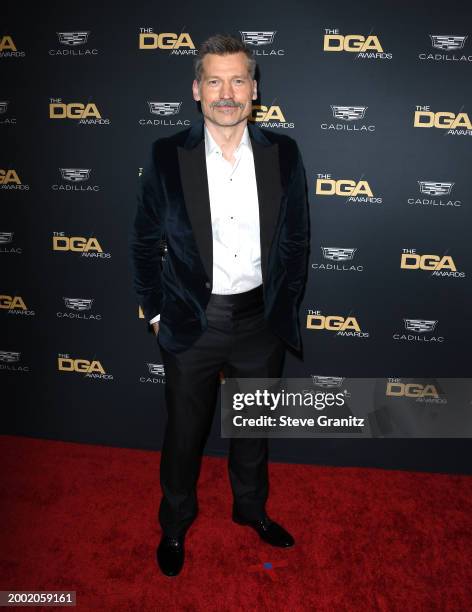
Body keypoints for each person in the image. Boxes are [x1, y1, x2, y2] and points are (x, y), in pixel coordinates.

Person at [129, 33, 310, 577]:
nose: (226, 92)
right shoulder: (167, 156)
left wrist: (283, 309)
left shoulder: (284, 153)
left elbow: (297, 240)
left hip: (259, 321)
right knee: (184, 435)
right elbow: (143, 243)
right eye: (214, 80)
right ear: (196, 89)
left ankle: (250, 511)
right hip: (192, 322)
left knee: (252, 430)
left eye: (237, 80)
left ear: (254, 90)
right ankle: (175, 525)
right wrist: (156, 313)